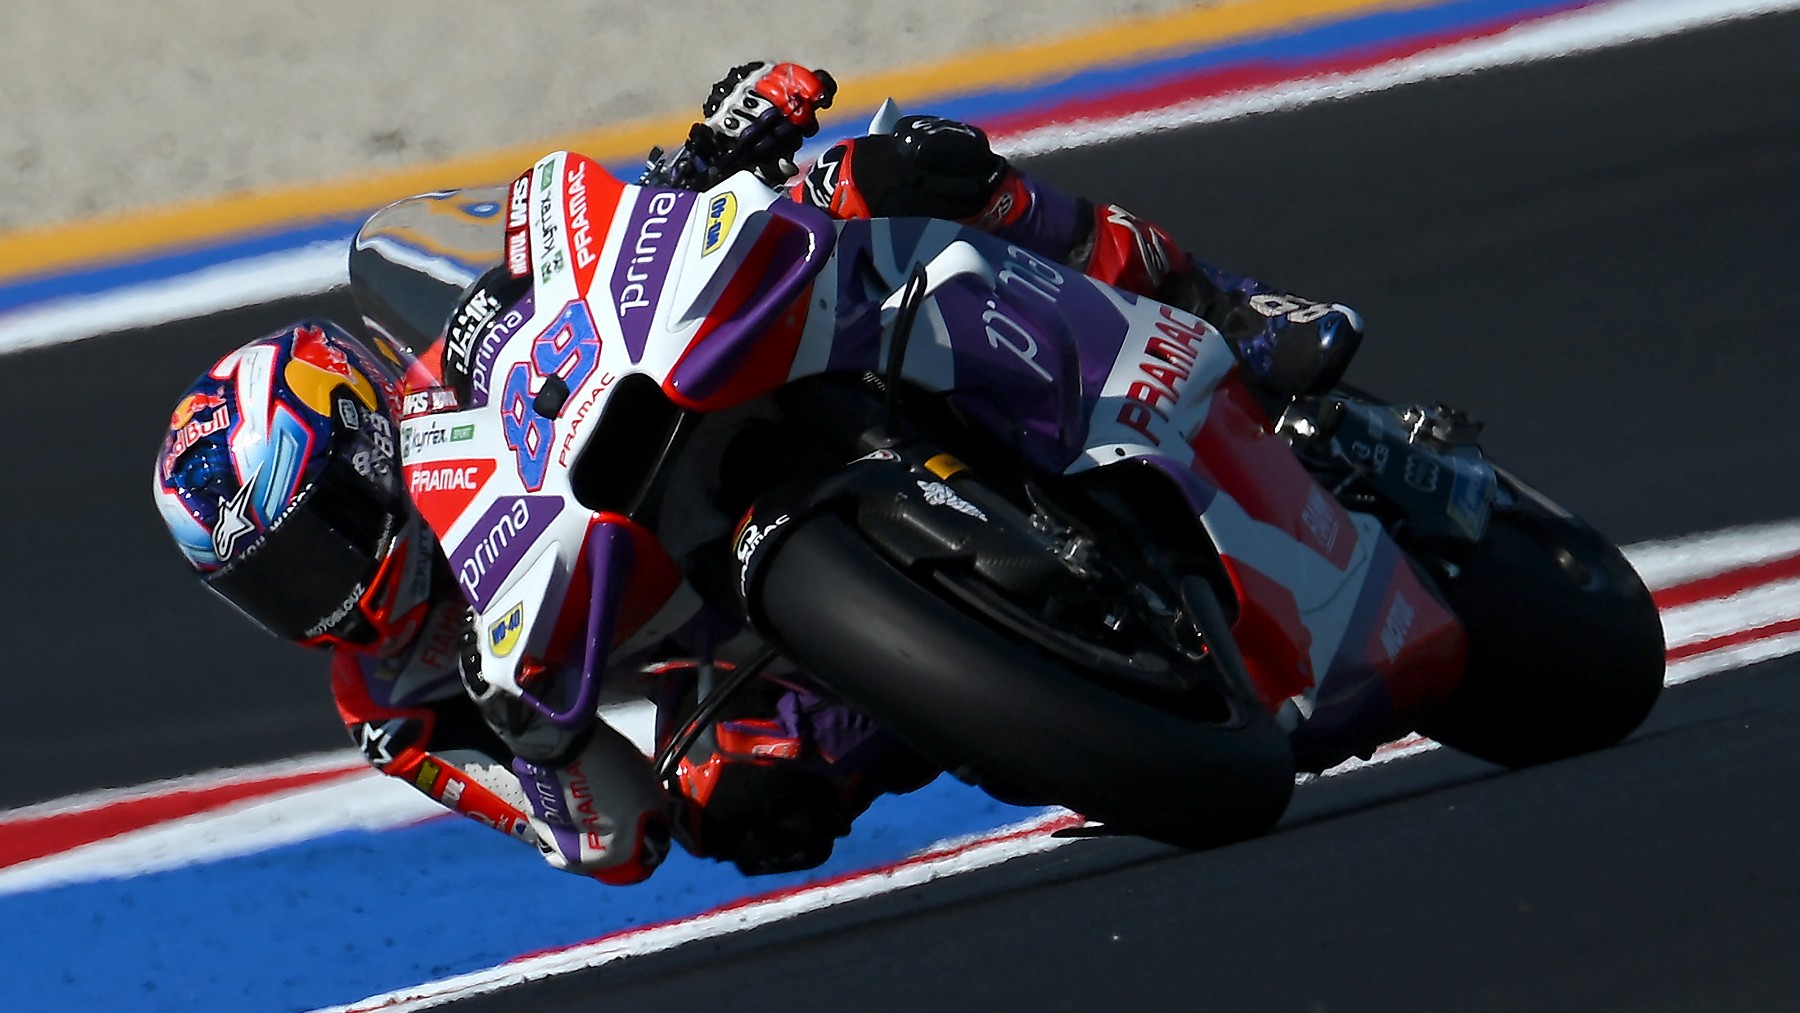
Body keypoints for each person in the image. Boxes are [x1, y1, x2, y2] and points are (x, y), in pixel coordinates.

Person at [152, 60, 1363, 885]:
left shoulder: (442, 350)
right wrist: (538, 741)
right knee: (743, 804)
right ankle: (1048, 708)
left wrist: (713, 152)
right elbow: (607, 841)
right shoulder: (392, 700)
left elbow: (564, 238)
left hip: (710, 390)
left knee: (880, 176)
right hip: (756, 645)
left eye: (322, 537)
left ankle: (1225, 307)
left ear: (364, 440)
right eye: (274, 586)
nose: (322, 594)